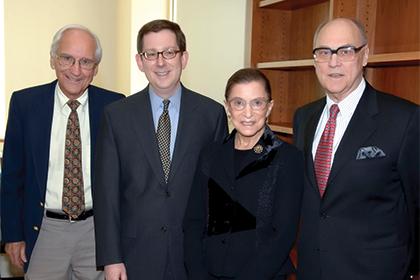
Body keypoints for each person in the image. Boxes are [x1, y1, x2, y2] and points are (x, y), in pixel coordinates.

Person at [93, 19, 228, 280]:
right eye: (151, 54)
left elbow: (220, 195)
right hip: (134, 256)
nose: (161, 62)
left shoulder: (211, 115)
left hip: (193, 257)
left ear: (184, 58)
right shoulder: (116, 116)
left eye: (169, 52)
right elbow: (106, 193)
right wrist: (111, 259)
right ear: (139, 61)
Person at [293, 18, 419, 280]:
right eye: (324, 52)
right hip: (312, 269)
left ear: (365, 56)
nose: (334, 62)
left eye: (346, 51)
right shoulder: (303, 117)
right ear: (315, 60)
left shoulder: (405, 119)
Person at [0, 24, 125, 279]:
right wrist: (12, 235)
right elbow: (12, 176)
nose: (76, 70)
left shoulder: (115, 106)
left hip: (97, 232)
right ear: (53, 59)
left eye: (86, 62)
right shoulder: (25, 104)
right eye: (67, 58)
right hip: (45, 230)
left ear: (96, 68)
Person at [183, 68, 304, 280]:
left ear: (269, 107)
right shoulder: (210, 154)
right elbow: (193, 221)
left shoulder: (287, 158)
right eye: (238, 103)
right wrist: (197, 274)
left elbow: (282, 235)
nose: (247, 113)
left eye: (257, 103)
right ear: (227, 107)